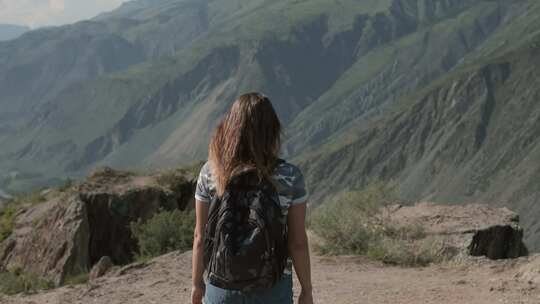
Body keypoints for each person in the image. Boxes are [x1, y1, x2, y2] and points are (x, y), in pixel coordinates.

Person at [191, 92, 314, 304]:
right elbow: (297, 243)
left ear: (231, 128)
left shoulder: (211, 173)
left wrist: (196, 285)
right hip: (272, 288)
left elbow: (200, 237)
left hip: (221, 287)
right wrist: (307, 290)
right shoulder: (289, 176)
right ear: (272, 130)